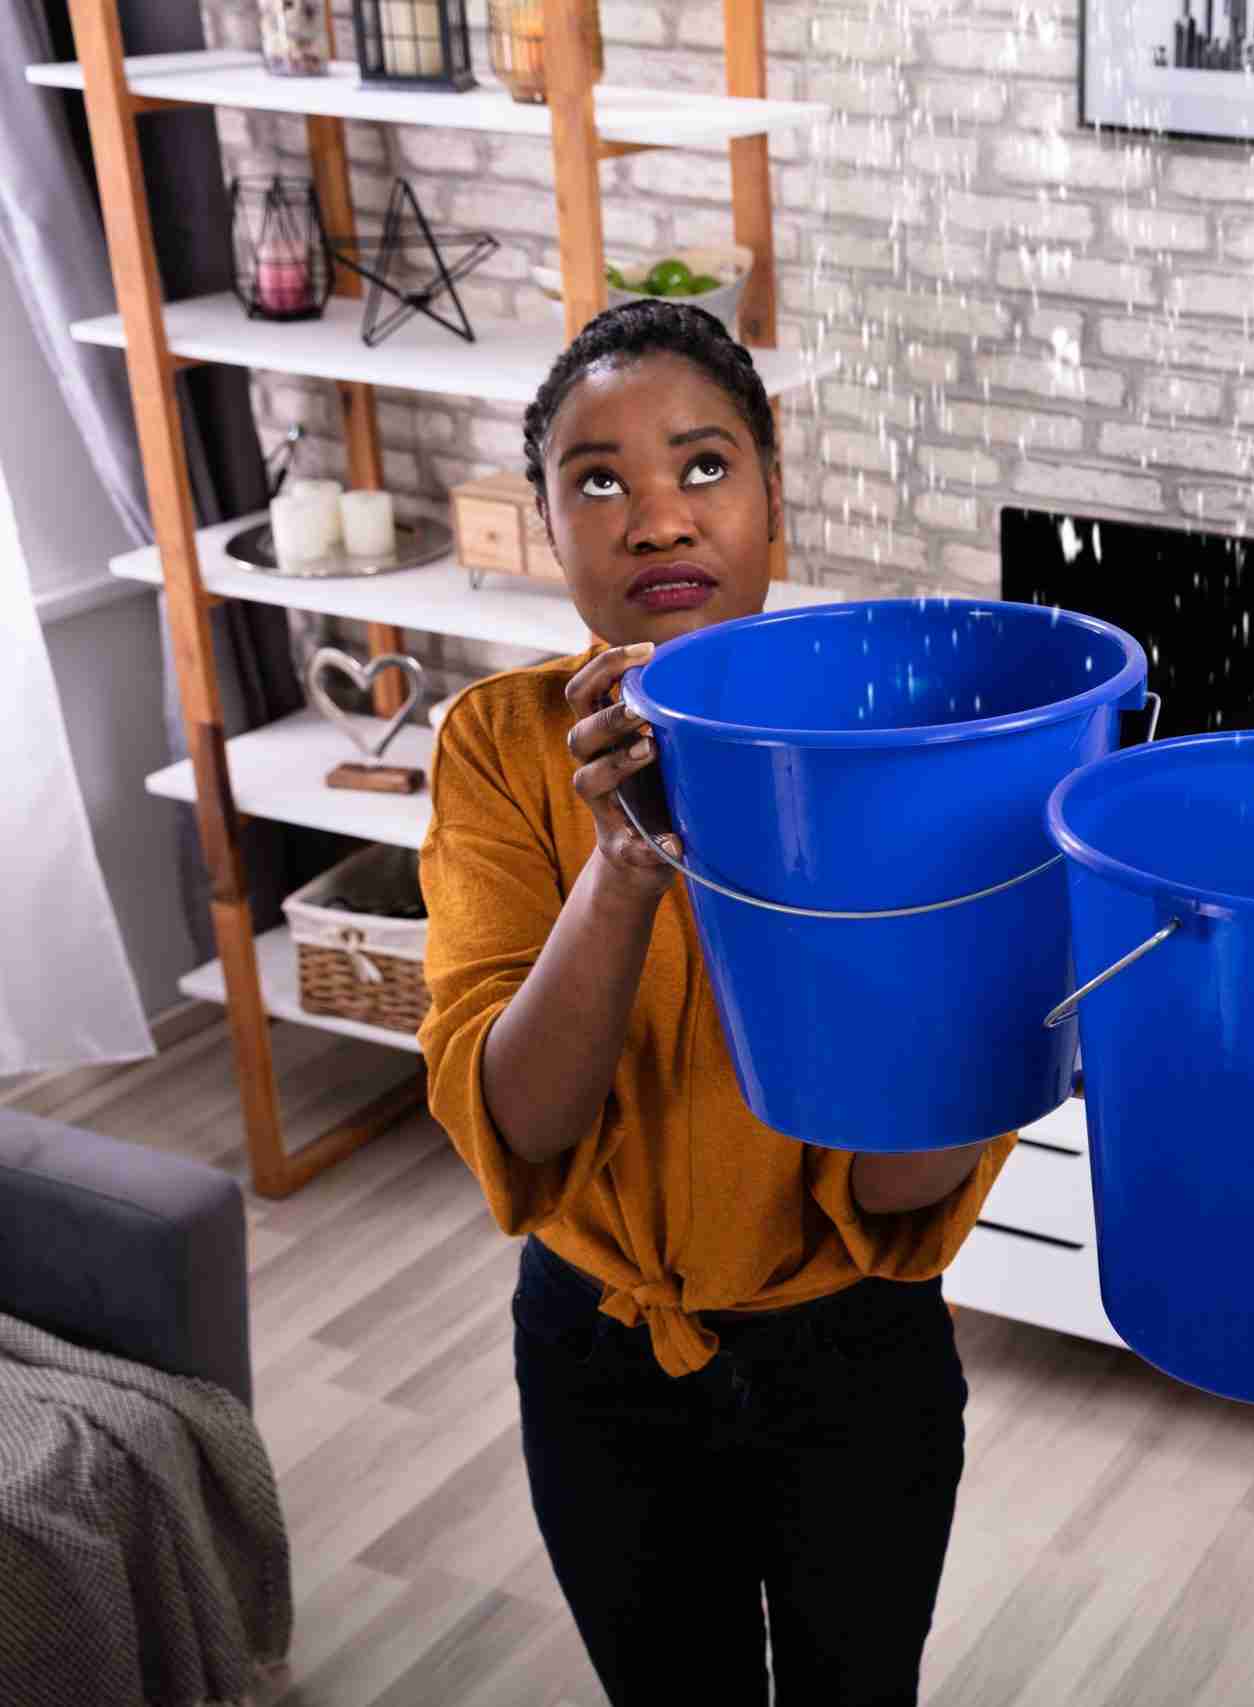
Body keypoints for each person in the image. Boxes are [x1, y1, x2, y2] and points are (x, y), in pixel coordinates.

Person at [418, 299, 1014, 1707]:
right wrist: (624, 865)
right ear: (546, 522)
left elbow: (895, 1187)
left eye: (703, 465)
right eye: (598, 481)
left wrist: (999, 1016)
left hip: (855, 1362)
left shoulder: (882, 753)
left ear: (770, 494)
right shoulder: (498, 746)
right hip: (600, 1366)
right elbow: (521, 1122)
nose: (657, 519)